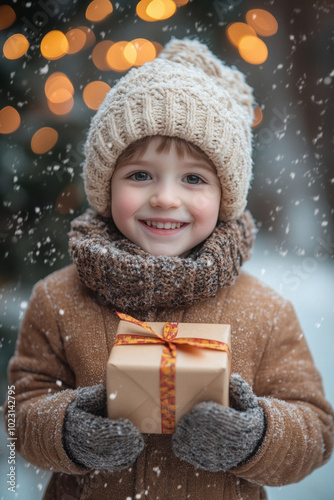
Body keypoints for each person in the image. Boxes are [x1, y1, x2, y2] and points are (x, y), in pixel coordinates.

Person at [4, 38, 334, 500]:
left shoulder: (266, 311)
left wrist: (255, 436)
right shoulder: (58, 299)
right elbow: (21, 408)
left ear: (225, 198)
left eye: (194, 179)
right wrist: (67, 431)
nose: (164, 197)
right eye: (140, 175)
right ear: (105, 185)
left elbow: (315, 429)